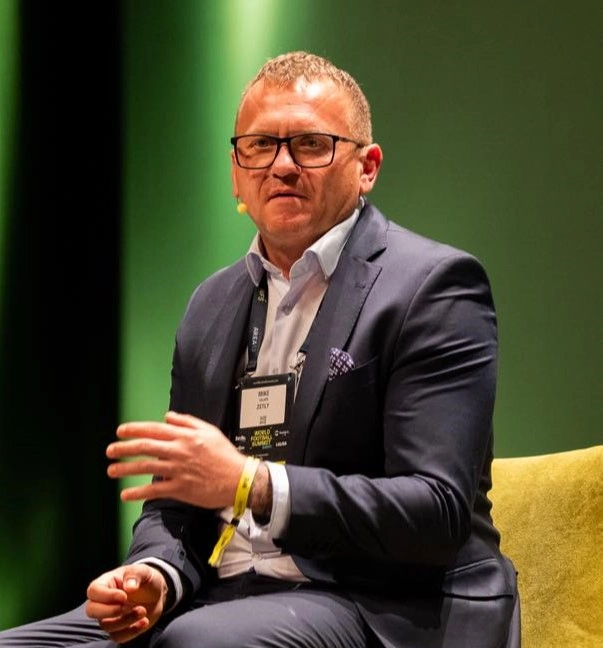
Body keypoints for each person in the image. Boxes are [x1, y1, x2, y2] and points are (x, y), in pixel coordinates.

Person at [0, 50, 519, 648]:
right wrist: (155, 576)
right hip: (223, 598)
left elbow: (436, 511)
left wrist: (253, 483)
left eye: (311, 145)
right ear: (236, 171)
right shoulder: (212, 302)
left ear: (367, 166)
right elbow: (176, 505)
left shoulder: (433, 287)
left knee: (200, 643)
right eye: (260, 146)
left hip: (380, 604)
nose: (282, 166)